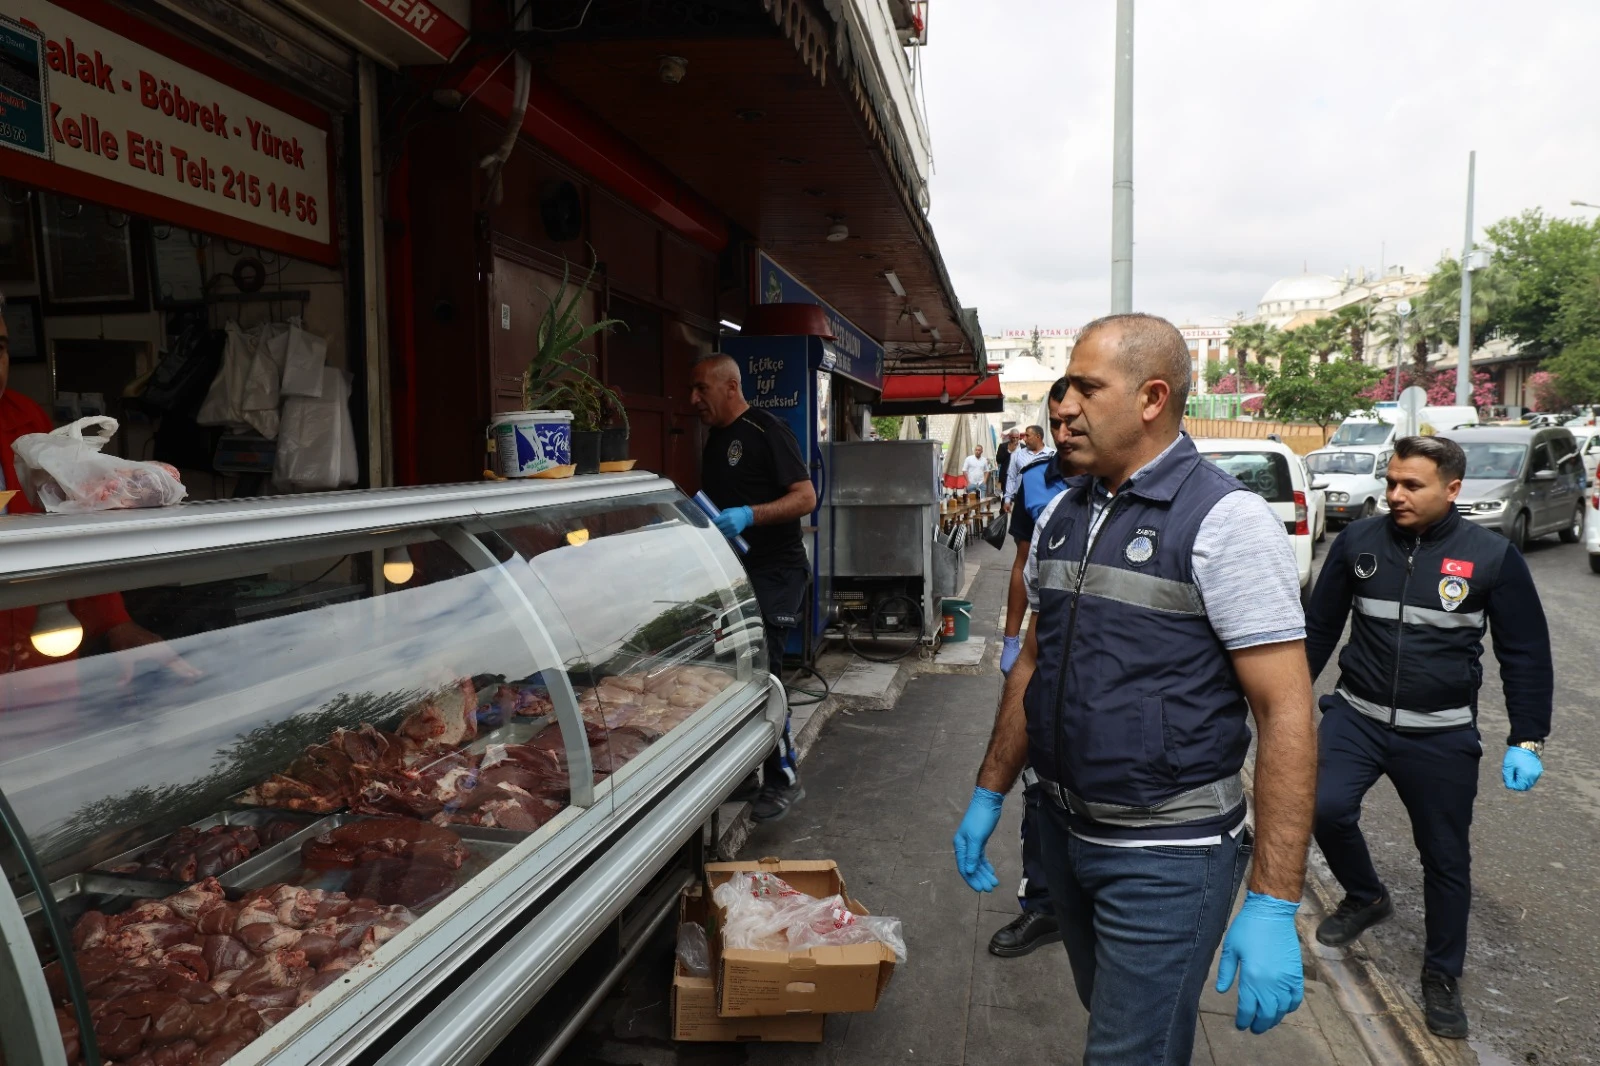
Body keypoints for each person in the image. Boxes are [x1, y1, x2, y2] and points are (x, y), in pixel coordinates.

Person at [953, 313, 1318, 1064]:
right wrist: (992, 789)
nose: (1066, 408)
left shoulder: (1227, 522)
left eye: (1087, 388)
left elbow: (1286, 710)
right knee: (1121, 1023)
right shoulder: (1062, 511)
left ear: (1153, 398)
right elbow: (1033, 662)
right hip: (1063, 832)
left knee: (1124, 1052)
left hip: (1167, 854)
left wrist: (1275, 895)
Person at [1304, 434, 1552, 1041]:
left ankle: (1441, 976)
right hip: (1357, 717)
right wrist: (1280, 703)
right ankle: (1364, 896)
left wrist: (1529, 737)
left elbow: (1524, 653)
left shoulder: (1491, 557)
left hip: (1439, 736)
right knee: (1323, 809)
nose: (1395, 495)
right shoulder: (1359, 541)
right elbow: (1318, 628)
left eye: (1411, 485)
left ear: (1452, 489)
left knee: (1445, 859)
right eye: (1391, 482)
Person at [0, 299, 196, 678]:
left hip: (40, 668)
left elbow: (65, 534)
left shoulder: (27, 421)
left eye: (0, 347)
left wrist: (113, 623)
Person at [690, 354, 815, 822]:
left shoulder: (767, 430)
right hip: (734, 577)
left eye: (701, 388)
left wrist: (749, 514)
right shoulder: (714, 441)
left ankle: (783, 777)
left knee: (766, 673)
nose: (693, 399)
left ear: (729, 386)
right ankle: (745, 765)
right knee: (731, 673)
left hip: (777, 573)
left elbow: (806, 497)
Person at [988, 378, 1072, 959]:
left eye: (1075, 419)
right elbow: (1023, 564)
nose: (1066, 432)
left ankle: (1091, 903)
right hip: (1045, 652)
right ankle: (1041, 905)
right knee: (1038, 785)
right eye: (1057, 421)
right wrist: (1011, 638)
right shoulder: (1039, 479)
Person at [1003, 424, 1051, 512]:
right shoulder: (1017, 455)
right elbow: (1011, 478)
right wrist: (1007, 499)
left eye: (1027, 436)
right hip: (1021, 501)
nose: (1024, 439)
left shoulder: (1051, 455)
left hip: (1045, 501)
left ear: (1038, 437)